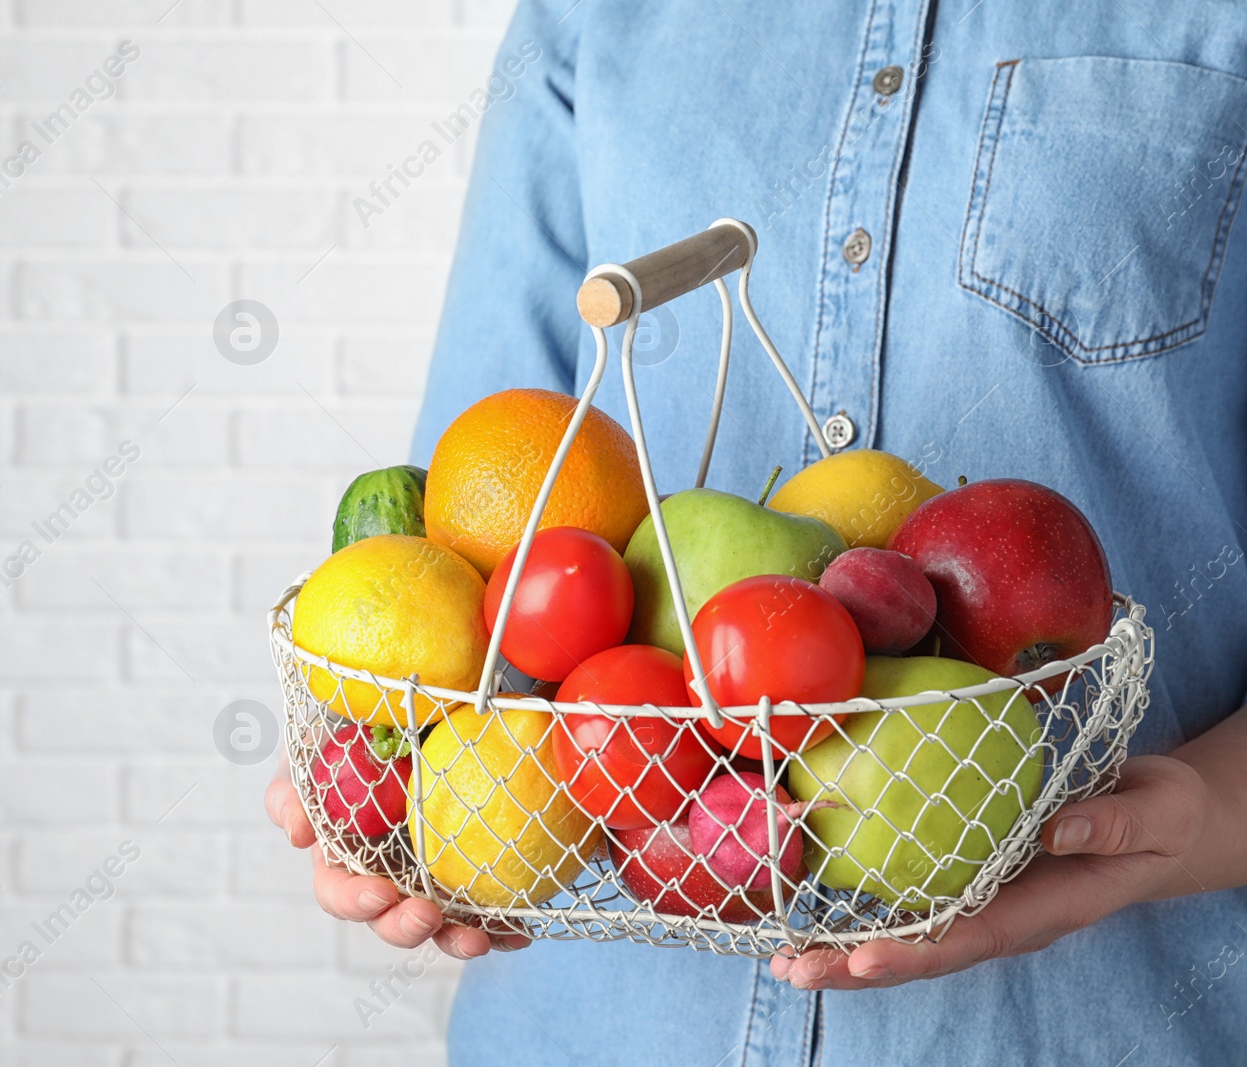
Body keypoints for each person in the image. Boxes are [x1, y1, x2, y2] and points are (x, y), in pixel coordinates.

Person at [267, 1, 1247, 1061]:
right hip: (606, 1020)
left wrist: (1204, 815)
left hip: (1088, 1019)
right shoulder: (591, 20)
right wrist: (390, 792)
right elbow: (455, 551)